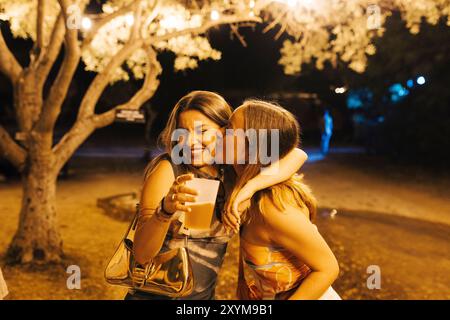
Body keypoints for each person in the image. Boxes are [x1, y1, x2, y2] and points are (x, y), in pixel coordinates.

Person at [128, 91, 308, 300]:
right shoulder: (170, 168)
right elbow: (141, 254)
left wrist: (249, 188)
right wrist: (165, 211)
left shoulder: (232, 171)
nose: (190, 141)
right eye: (183, 132)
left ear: (226, 131)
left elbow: (297, 154)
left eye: (202, 131)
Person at [224, 100, 340, 300]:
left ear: (252, 146)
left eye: (229, 129)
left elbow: (328, 269)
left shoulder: (272, 208)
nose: (220, 133)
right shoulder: (250, 186)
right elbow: (296, 153)